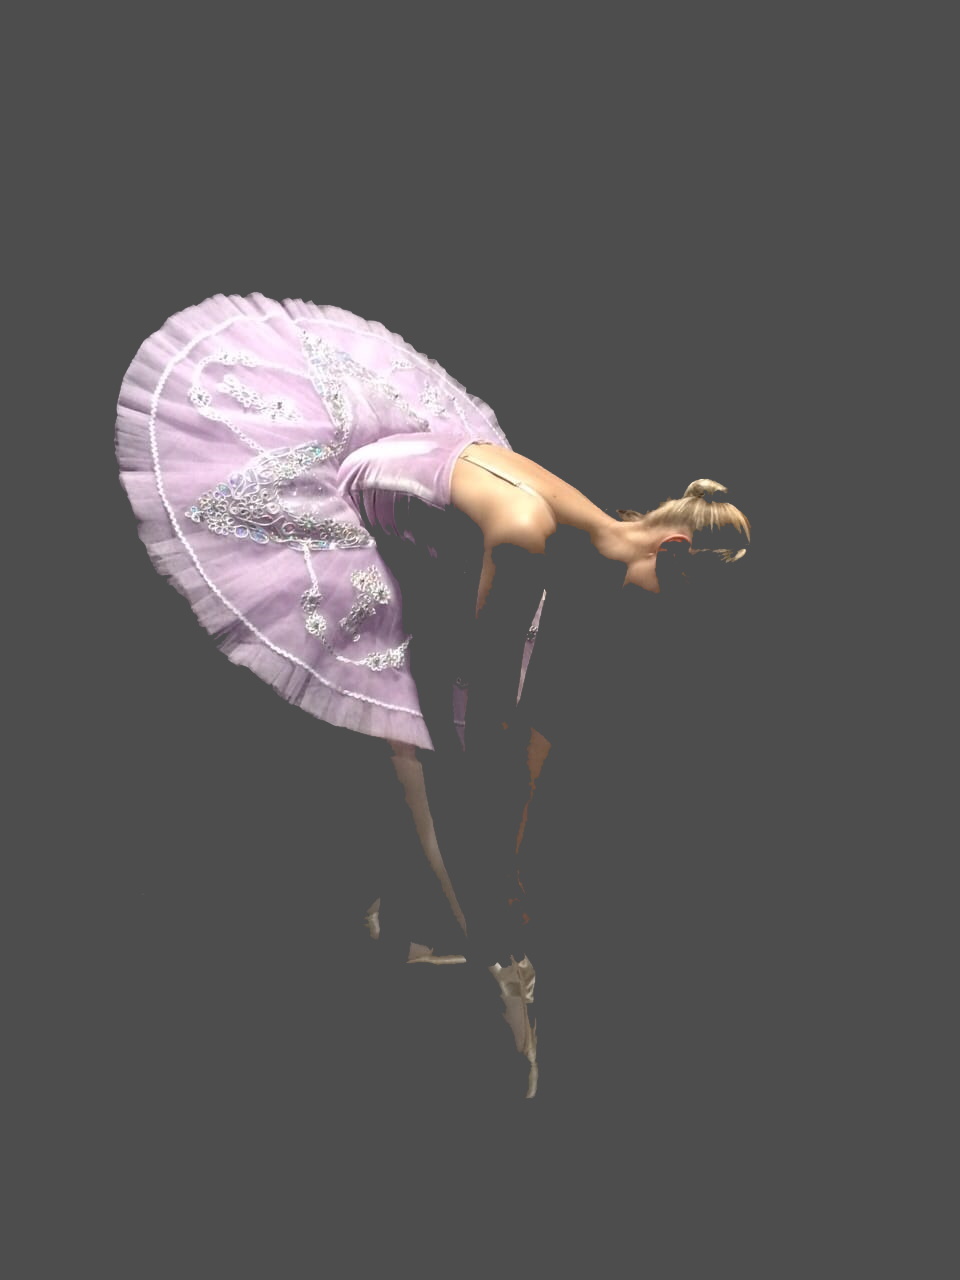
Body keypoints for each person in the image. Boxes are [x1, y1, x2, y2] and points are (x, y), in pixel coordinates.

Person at [116, 293, 752, 1098]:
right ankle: (483, 961)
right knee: (429, 741)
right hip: (365, 507)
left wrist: (511, 840)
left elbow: (530, 723)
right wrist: (501, 873)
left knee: (466, 761)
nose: (670, 622)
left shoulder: (584, 538)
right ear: (673, 547)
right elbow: (486, 725)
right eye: (682, 599)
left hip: (434, 523)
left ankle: (444, 932)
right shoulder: (527, 537)